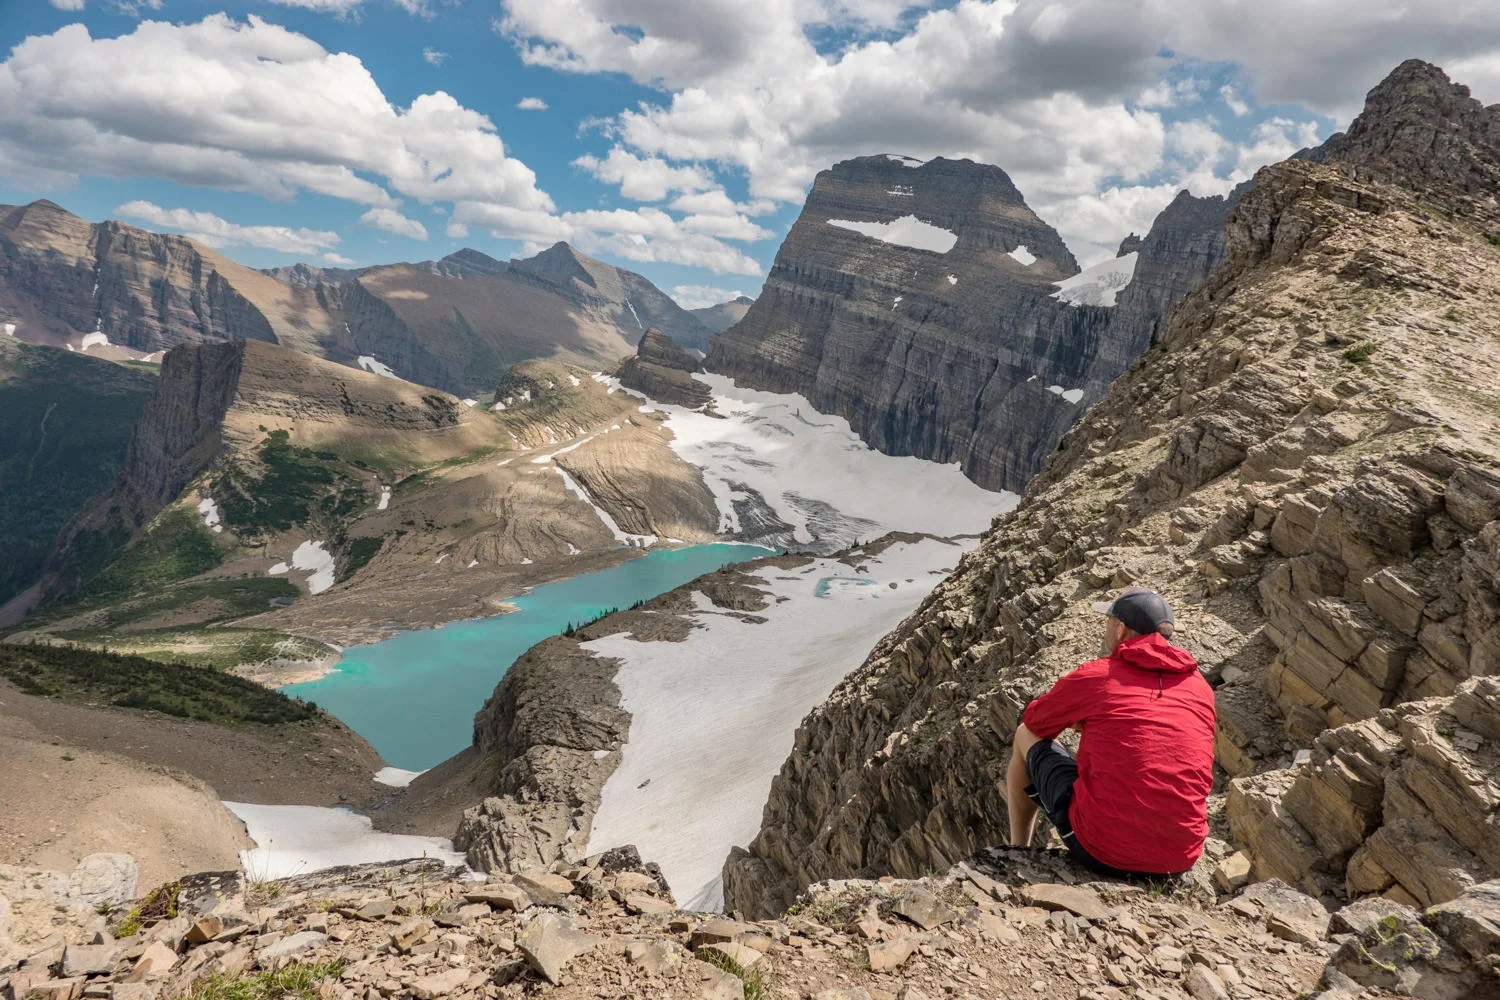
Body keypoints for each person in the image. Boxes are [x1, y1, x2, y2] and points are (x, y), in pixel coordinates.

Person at [1005, 587, 1215, 877]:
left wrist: (1081, 719)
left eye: (1108, 620)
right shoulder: (1200, 687)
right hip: (1179, 858)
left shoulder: (1099, 675)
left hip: (1103, 851)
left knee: (1024, 734)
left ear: (1121, 629)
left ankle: (1017, 849)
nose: (1105, 627)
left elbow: (1035, 721)